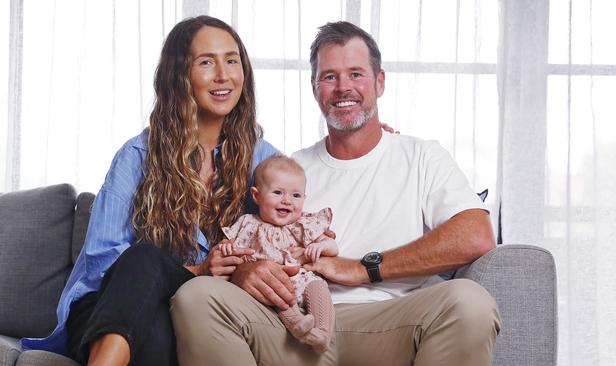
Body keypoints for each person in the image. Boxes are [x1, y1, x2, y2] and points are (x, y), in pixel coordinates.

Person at [171, 21, 501, 366]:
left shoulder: (421, 156)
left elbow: (475, 235)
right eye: (330, 77)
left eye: (356, 74)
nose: (344, 88)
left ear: (380, 82)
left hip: (395, 321)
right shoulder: (287, 169)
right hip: (294, 327)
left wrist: (363, 268)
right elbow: (248, 240)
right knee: (197, 295)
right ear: (315, 88)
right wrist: (243, 272)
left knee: (470, 302)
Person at [21, 15, 279, 366]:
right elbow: (103, 262)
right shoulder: (138, 155)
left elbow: (284, 240)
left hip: (192, 315)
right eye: (206, 62)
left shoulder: (266, 165)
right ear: (179, 75)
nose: (223, 75)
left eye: (232, 60)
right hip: (106, 308)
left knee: (162, 329)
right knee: (144, 262)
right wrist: (198, 270)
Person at [218, 155, 337, 353]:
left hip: (303, 278)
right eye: (278, 192)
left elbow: (333, 247)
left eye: (296, 196)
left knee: (319, 288)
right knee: (278, 293)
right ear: (256, 196)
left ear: (304, 199)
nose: (287, 201)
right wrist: (227, 247)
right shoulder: (249, 224)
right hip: (272, 280)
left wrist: (322, 247)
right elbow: (232, 246)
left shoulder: (303, 224)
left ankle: (323, 333)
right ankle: (298, 325)